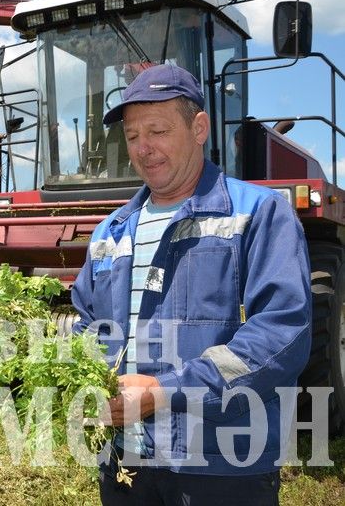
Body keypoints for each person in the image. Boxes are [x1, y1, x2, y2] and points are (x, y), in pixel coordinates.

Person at [71, 63, 311, 505]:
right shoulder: (112, 231)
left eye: (158, 131)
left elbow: (281, 334)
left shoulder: (258, 214)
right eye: (132, 136)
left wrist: (164, 392)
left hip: (222, 464)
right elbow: (87, 324)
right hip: (125, 464)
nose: (144, 149)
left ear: (199, 127)